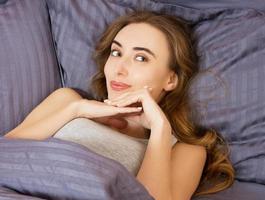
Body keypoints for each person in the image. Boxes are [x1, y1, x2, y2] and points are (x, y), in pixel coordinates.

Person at [5, 11, 234, 200]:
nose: (119, 68)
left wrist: (159, 131)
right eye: (116, 52)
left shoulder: (185, 151)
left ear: (170, 79)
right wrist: (77, 110)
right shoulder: (68, 101)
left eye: (141, 58)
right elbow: (8, 152)